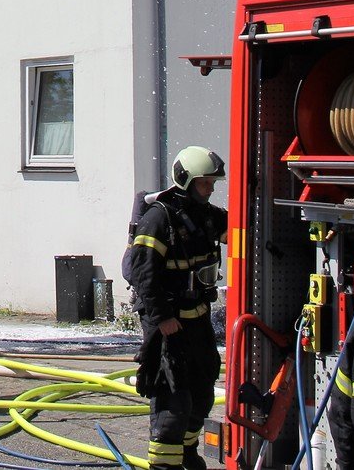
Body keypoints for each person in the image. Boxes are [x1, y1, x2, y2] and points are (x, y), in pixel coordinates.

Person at [123, 145, 228, 470]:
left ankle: (187, 453)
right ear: (185, 180)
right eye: (205, 184)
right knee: (173, 399)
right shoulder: (159, 219)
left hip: (197, 321)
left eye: (212, 184)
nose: (209, 190)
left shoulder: (204, 216)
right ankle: (165, 465)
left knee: (202, 391)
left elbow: (235, 228)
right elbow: (143, 274)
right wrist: (163, 317)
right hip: (168, 325)